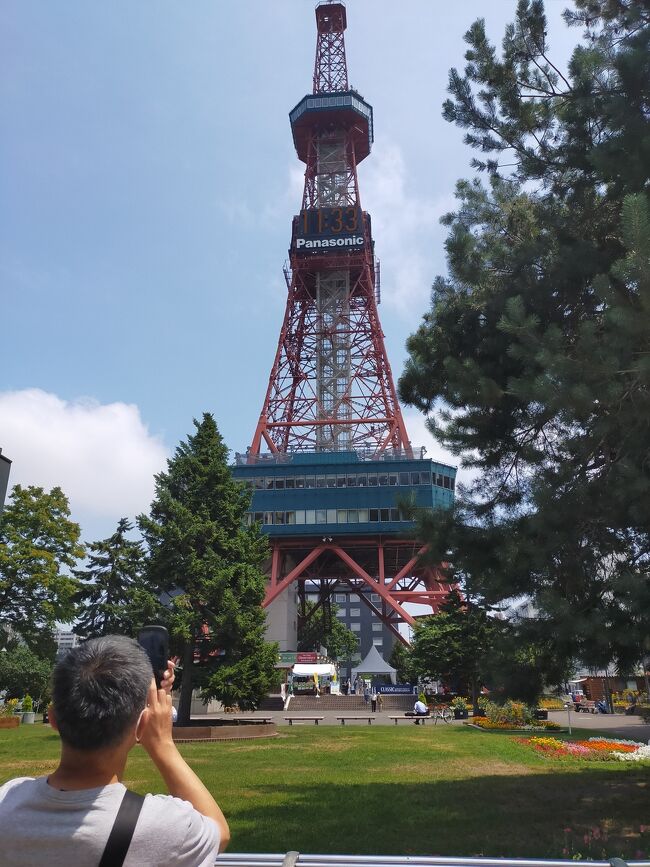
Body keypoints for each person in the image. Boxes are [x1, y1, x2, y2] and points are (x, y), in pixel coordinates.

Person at [0, 635, 229, 865]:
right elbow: (218, 832)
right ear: (142, 726)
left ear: (53, 719)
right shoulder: (159, 827)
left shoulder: (6, 802)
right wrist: (163, 745)